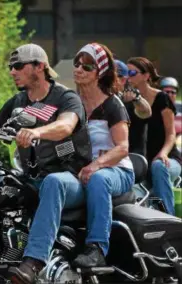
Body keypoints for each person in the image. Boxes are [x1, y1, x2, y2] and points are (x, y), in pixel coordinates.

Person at [0, 43, 107, 284]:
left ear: (39, 66)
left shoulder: (66, 97)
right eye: (10, 67)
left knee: (53, 182)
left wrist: (37, 133)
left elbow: (65, 126)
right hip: (32, 179)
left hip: (72, 179)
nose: (12, 71)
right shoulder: (17, 102)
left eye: (18, 66)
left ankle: (34, 262)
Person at [72, 42, 134, 268]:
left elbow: (123, 147)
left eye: (87, 66)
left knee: (98, 179)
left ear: (101, 73)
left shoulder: (112, 105)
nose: (79, 69)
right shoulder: (73, 103)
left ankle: (97, 247)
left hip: (118, 170)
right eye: (77, 63)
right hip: (85, 170)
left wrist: (96, 165)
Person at [127, 57, 182, 215]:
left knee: (159, 166)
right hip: (142, 160)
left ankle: (168, 218)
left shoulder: (162, 99)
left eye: (132, 73)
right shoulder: (129, 101)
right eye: (126, 72)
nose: (128, 77)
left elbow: (171, 134)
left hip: (168, 158)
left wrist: (163, 153)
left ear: (146, 76)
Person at [114, 59, 152, 156]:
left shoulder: (131, 97)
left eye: (110, 77)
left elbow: (146, 112)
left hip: (132, 159)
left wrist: (137, 99)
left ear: (123, 80)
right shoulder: (96, 100)